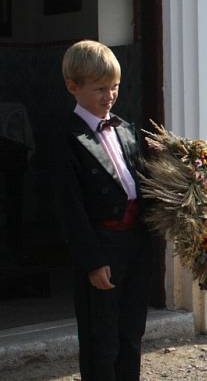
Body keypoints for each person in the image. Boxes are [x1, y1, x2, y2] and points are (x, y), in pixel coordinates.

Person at [59, 40, 152, 381]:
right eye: (100, 89)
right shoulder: (67, 138)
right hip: (101, 247)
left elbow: (141, 184)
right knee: (102, 339)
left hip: (135, 246)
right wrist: (93, 261)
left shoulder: (126, 130)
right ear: (73, 86)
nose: (109, 96)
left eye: (114, 87)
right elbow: (71, 208)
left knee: (131, 333)